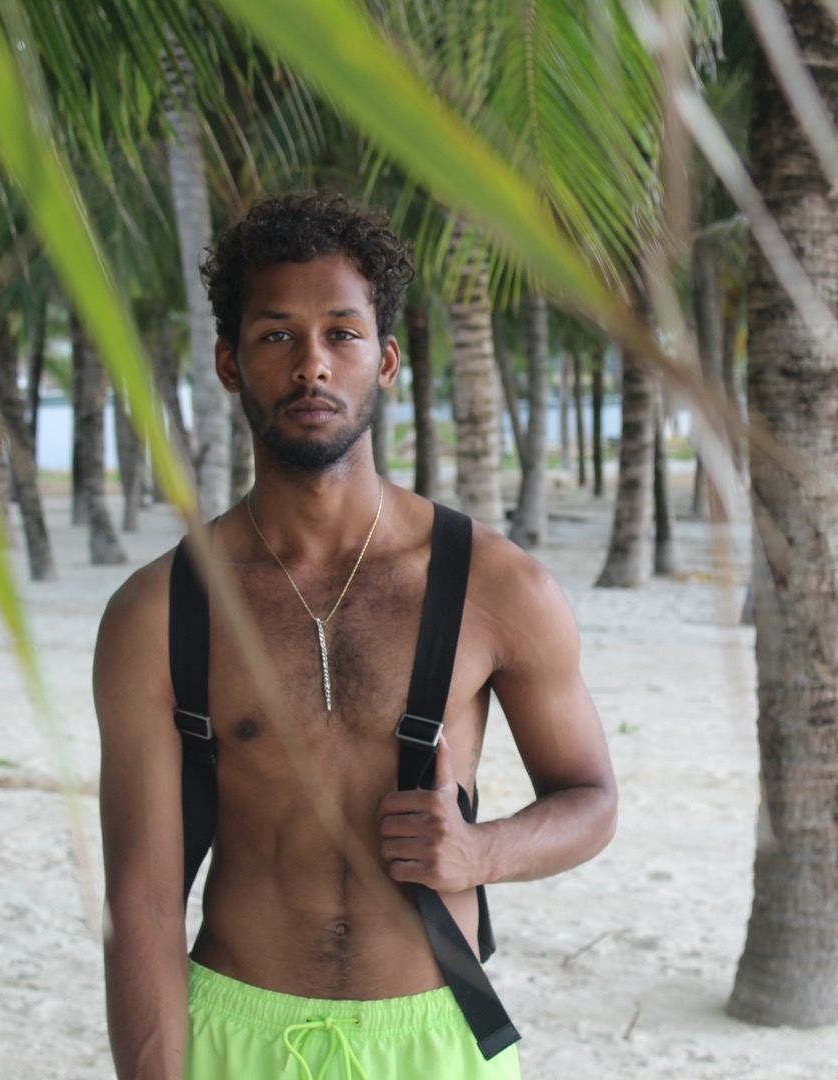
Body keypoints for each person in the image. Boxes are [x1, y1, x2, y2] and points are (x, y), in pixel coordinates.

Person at [93, 193, 617, 1080]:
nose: (312, 365)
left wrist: (482, 852)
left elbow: (591, 799)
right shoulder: (159, 611)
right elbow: (141, 898)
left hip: (434, 1041)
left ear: (387, 360)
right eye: (276, 336)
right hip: (233, 1036)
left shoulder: (497, 587)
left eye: (342, 333)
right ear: (228, 362)